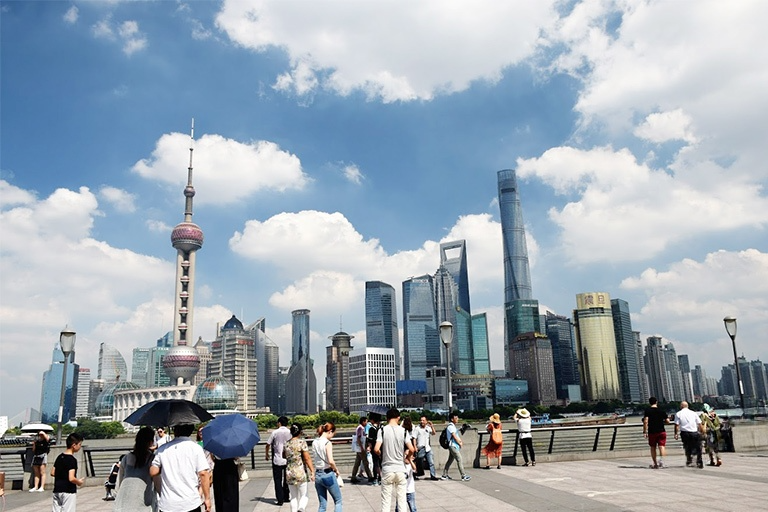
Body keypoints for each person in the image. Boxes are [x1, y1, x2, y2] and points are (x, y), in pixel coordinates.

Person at [149, 424, 211, 512]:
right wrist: (207, 498)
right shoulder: (196, 448)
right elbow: (203, 473)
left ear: (174, 430)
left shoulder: (162, 449)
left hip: (168, 504)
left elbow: (153, 472)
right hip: (190, 502)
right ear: (190, 430)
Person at [375, 408, 412, 511]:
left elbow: (376, 449)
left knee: (386, 502)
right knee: (402, 501)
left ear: (387, 418)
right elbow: (412, 449)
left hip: (387, 469)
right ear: (398, 418)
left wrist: (380, 454)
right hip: (400, 469)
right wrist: (407, 458)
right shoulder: (404, 431)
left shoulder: (382, 430)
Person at [114, 427, 157, 511]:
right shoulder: (152, 459)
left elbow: (119, 482)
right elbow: (157, 485)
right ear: (151, 442)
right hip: (142, 503)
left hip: (122, 502)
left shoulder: (126, 458)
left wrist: (116, 497)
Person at [283, 423, 315, 512]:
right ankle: (301, 508)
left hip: (289, 472)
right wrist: (312, 471)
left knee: (293, 497)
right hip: (300, 471)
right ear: (300, 432)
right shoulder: (302, 442)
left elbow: (284, 455)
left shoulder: (286, 443)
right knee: (304, 495)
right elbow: (307, 458)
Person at [312, 422, 342, 512]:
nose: (332, 436)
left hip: (317, 474)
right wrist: (336, 470)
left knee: (322, 505)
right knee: (338, 501)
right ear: (330, 431)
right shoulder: (327, 443)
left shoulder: (314, 442)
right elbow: (331, 461)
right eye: (333, 434)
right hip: (327, 473)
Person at [51, 432, 85, 512]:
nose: (80, 447)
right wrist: (79, 482)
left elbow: (52, 472)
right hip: (68, 491)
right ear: (74, 445)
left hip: (57, 489)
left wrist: (62, 474)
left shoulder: (59, 457)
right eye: (79, 444)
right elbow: (71, 478)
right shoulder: (72, 460)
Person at [266, 416, 292, 506]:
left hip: (277, 459)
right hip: (288, 459)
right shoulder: (290, 432)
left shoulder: (275, 432)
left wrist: (267, 454)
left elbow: (268, 444)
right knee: (286, 479)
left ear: (279, 423)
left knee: (277, 480)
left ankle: (280, 499)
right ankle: (286, 497)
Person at [674, 401, 704, 468]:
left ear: (681, 406)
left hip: (685, 433)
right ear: (687, 406)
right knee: (698, 448)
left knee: (687, 447)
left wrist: (676, 433)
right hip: (694, 432)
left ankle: (689, 460)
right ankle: (699, 462)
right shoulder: (693, 413)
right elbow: (699, 423)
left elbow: (676, 425)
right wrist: (702, 432)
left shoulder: (678, 413)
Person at [441, 411, 470, 481]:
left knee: (450, 460)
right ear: (452, 419)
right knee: (459, 459)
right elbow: (454, 436)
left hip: (453, 446)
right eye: (456, 418)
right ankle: (463, 475)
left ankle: (444, 475)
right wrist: (460, 442)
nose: (457, 419)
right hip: (453, 446)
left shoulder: (452, 427)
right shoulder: (450, 427)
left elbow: (455, 433)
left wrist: (461, 429)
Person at [643, 396, 670, 469]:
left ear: (649, 403)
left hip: (652, 431)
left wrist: (644, 431)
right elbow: (668, 421)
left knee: (653, 447)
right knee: (662, 446)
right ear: (656, 402)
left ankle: (655, 464)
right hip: (661, 431)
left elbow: (645, 421)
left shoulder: (647, 410)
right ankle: (662, 463)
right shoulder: (661, 410)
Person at [350, 417, 373, 484]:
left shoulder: (359, 428)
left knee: (357, 463)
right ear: (363, 422)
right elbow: (359, 438)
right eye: (366, 421)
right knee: (366, 462)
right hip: (361, 448)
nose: (366, 423)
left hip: (359, 449)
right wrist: (362, 448)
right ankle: (370, 476)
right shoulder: (361, 428)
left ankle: (353, 477)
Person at [367, 414, 382, 486]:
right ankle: (381, 478)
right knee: (381, 463)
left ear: (373, 420)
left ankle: (375, 478)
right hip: (382, 447)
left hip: (374, 448)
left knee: (375, 463)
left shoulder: (371, 429)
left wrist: (369, 447)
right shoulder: (382, 428)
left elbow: (370, 440)